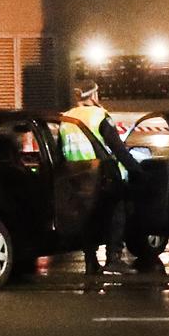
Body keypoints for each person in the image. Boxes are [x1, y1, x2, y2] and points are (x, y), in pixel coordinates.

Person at [61, 79, 144, 275]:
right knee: (117, 210)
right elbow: (118, 149)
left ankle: (91, 261)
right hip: (101, 175)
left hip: (76, 175)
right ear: (94, 95)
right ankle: (113, 257)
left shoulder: (67, 117)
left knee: (88, 218)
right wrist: (136, 170)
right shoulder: (99, 116)